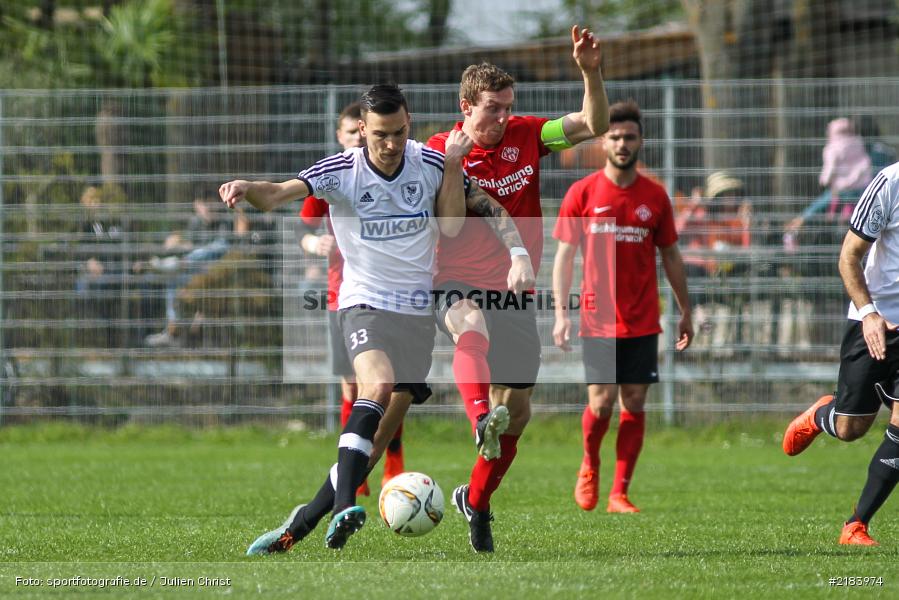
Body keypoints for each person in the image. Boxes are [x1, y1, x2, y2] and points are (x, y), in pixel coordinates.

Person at [222, 84, 529, 554]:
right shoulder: (341, 170)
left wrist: (517, 251)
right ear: (362, 130)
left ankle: (299, 525)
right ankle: (346, 505)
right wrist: (247, 189)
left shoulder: (429, 162)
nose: (390, 144)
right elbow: (280, 192)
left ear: (409, 124)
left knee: (377, 441)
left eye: (400, 133)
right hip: (363, 303)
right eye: (381, 135)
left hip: (416, 315)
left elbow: (483, 207)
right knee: (376, 387)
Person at [426, 25, 608, 552]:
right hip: (456, 279)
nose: (504, 117)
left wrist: (590, 71)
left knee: (521, 413)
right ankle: (479, 416)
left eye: (508, 107)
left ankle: (476, 502)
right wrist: (457, 164)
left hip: (515, 288)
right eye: (493, 108)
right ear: (466, 106)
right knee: (469, 323)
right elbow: (453, 228)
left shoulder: (528, 134)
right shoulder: (439, 152)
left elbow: (593, 124)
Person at [552, 100, 693, 514]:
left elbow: (671, 255)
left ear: (640, 141)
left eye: (629, 136)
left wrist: (685, 309)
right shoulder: (583, 192)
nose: (622, 143)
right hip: (598, 316)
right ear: (603, 141)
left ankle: (619, 492)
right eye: (614, 136)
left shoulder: (655, 196)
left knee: (634, 401)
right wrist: (561, 313)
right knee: (601, 402)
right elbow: (564, 256)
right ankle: (589, 465)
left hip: (643, 317)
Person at [783, 161, 899, 546]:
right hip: (875, 320)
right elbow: (848, 256)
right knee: (851, 429)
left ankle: (856, 525)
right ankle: (822, 415)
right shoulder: (889, 183)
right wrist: (869, 314)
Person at [297, 102, 405, 496]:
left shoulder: (393, 174)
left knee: (387, 388)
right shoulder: (330, 178)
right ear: (341, 135)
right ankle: (354, 473)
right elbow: (303, 228)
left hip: (390, 296)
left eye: (362, 133)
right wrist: (313, 243)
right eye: (349, 133)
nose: (357, 139)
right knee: (353, 389)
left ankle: (393, 465)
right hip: (341, 297)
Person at [676, 172, 754, 354]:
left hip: (726, 272)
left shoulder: (738, 220)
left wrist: (747, 224)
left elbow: (746, 249)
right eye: (726, 194)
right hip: (701, 270)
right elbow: (678, 231)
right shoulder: (704, 216)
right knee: (688, 268)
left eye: (733, 194)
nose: (730, 199)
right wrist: (694, 204)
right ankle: (700, 313)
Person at [143, 197, 234, 347]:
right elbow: (191, 245)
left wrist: (190, 255)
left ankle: (174, 264)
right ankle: (172, 329)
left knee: (216, 246)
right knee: (172, 282)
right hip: (194, 271)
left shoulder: (223, 222)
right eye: (206, 204)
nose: (209, 208)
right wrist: (177, 244)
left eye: (212, 204)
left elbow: (222, 248)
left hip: (214, 271)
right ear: (197, 206)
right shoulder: (195, 223)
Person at [785, 118, 872, 235]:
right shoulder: (858, 142)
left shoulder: (832, 148)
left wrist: (824, 180)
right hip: (863, 187)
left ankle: (802, 219)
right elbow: (866, 162)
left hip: (842, 190)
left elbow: (830, 169)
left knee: (821, 203)